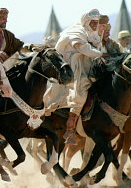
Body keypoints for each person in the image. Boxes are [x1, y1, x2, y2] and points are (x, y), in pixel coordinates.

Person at [44, 9, 104, 144]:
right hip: (71, 66)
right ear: (86, 22)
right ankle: (69, 130)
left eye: (96, 22)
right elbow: (84, 49)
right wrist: (101, 55)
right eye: (92, 22)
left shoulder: (93, 34)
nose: (95, 24)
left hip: (85, 65)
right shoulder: (76, 32)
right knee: (81, 91)